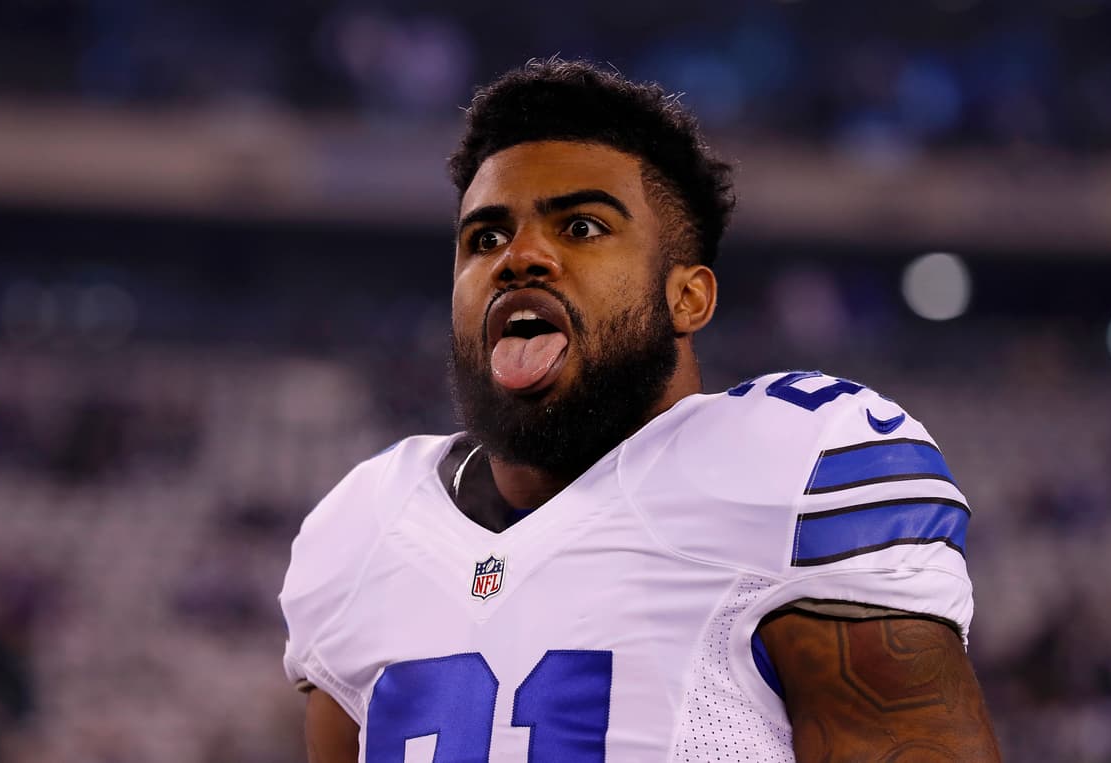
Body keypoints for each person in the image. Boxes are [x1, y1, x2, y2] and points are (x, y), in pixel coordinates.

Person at [280, 58, 1001, 762]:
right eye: (485, 238)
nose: (518, 257)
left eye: (581, 227)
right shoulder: (364, 525)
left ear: (687, 297)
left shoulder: (794, 469)